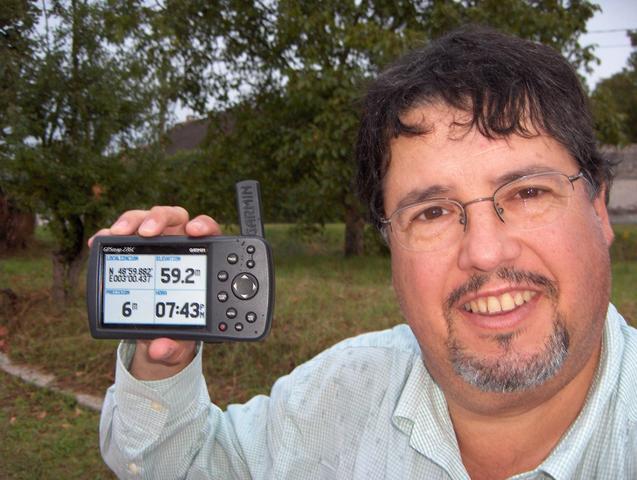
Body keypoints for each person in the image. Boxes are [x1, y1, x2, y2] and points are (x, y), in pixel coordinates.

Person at [94, 26, 636, 479]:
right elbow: (187, 465)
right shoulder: (336, 394)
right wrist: (162, 358)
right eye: (432, 212)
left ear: (597, 208)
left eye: (527, 193)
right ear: (391, 252)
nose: (487, 252)